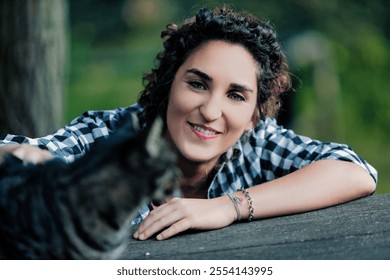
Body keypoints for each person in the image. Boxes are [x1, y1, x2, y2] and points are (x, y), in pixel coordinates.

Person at [0, 7, 377, 241]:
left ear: (254, 116)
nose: (211, 111)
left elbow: (355, 172)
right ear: (168, 85)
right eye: (197, 84)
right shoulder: (113, 133)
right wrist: (30, 161)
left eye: (236, 95)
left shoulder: (257, 143)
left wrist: (228, 207)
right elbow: (17, 154)